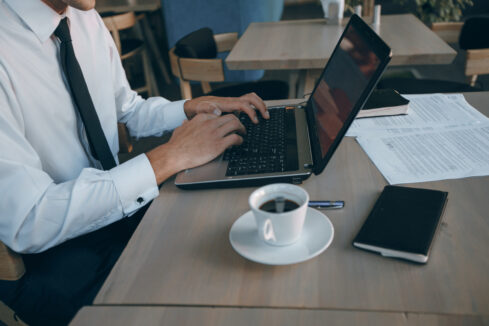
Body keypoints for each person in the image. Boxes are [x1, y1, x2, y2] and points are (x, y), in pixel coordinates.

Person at [0, 0, 269, 324]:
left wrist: (191, 107)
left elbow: (127, 108)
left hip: (119, 213)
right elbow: (30, 220)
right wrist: (167, 157)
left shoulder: (85, 18)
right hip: (55, 256)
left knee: (235, 242)